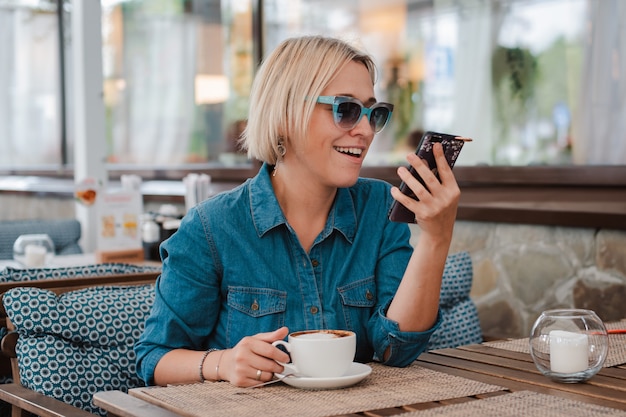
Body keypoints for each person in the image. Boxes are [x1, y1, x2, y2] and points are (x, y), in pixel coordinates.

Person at [135, 35, 460, 388]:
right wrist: (223, 363)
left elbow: (396, 350)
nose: (365, 130)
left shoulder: (380, 208)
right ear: (287, 113)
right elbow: (154, 358)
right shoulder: (212, 228)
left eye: (373, 113)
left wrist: (436, 237)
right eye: (345, 109)